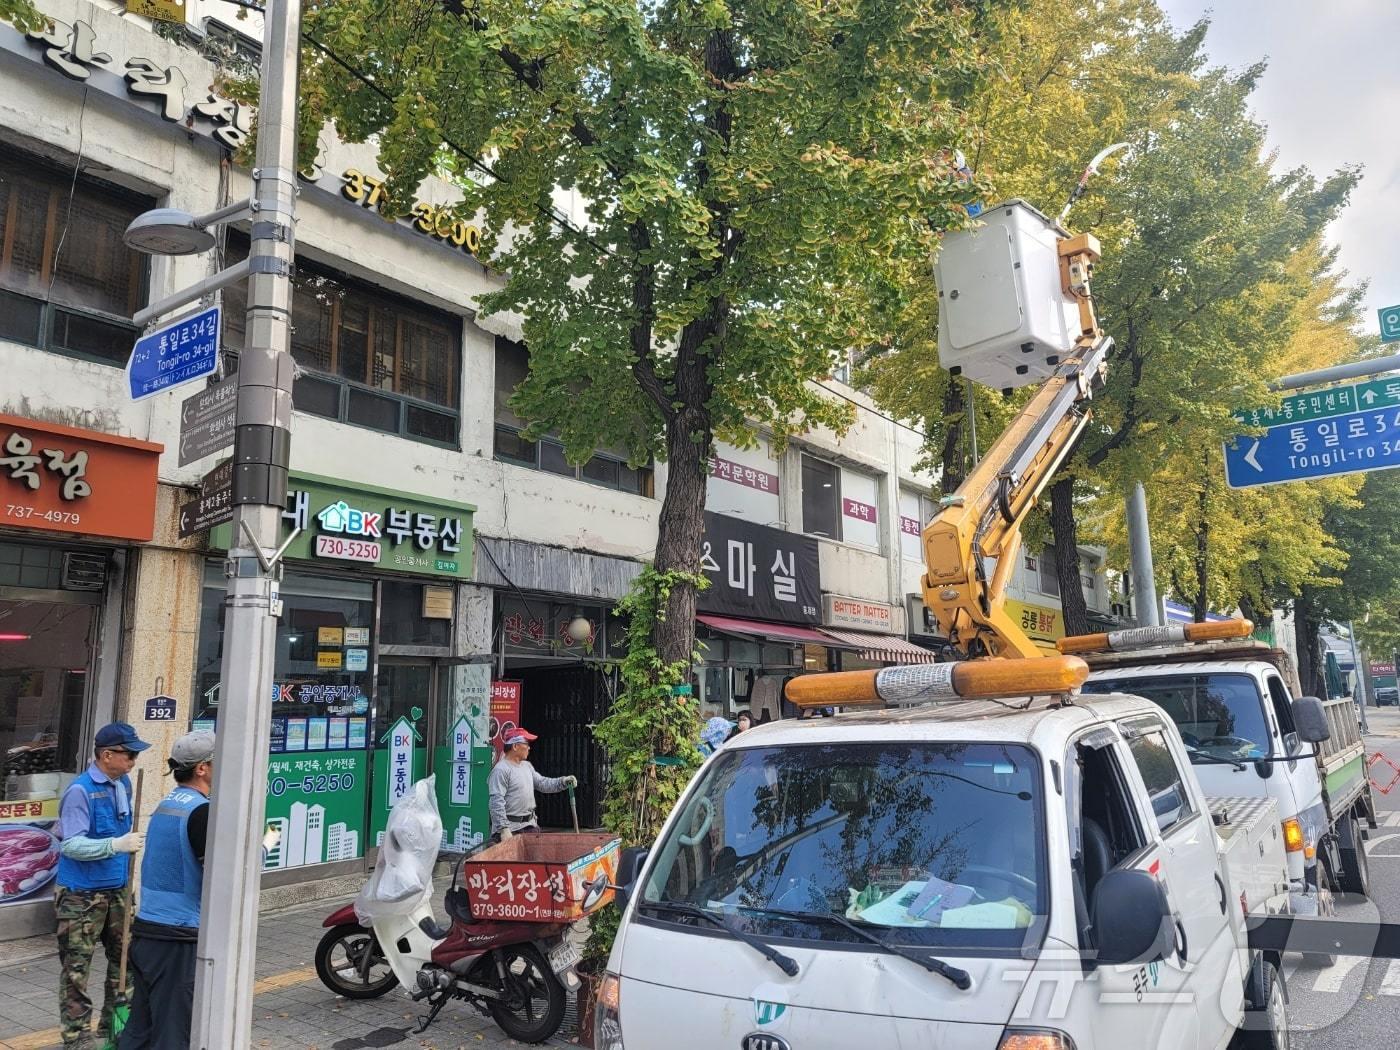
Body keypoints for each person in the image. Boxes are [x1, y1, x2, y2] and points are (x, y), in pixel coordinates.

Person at [55, 722, 150, 1049]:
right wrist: (115, 845)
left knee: (124, 960)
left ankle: (115, 1025)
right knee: (76, 968)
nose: (134, 761)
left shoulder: (122, 782)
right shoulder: (80, 791)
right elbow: (70, 845)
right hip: (81, 895)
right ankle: (77, 1035)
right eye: (130, 754)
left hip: (119, 888)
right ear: (107, 754)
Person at [118, 731, 214, 1050]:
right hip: (178, 937)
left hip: (149, 932)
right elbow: (223, 874)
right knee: (174, 1033)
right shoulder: (202, 811)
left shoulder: (168, 804)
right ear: (202, 768)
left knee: (140, 1030)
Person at [487, 729, 576, 841]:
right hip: (510, 830)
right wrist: (503, 829)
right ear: (515, 746)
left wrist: (563, 782)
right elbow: (496, 801)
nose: (529, 748)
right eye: (527, 744)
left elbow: (542, 783)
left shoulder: (526, 766)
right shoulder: (501, 770)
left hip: (530, 827)